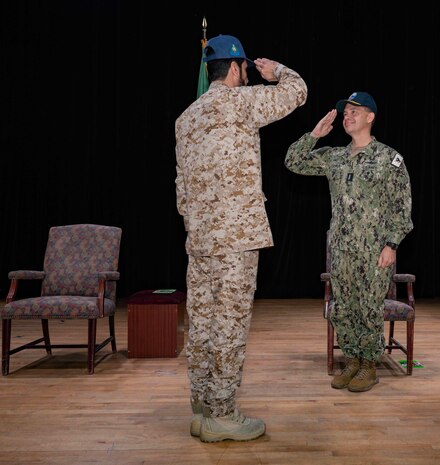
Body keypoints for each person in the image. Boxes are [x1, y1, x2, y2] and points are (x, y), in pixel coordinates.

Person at [175, 34, 307, 443]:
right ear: (235, 69)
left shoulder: (186, 118)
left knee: (202, 324)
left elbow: (181, 187)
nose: (248, 75)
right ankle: (222, 415)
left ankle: (201, 406)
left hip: (200, 240)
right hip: (236, 239)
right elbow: (297, 92)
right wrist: (276, 71)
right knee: (229, 326)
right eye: (246, 69)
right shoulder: (242, 101)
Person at [285, 92, 413, 392]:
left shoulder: (389, 158)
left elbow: (401, 206)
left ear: (371, 117)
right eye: (345, 112)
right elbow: (293, 161)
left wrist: (391, 245)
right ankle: (352, 360)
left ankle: (369, 364)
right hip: (342, 248)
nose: (348, 115)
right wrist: (315, 134)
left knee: (368, 307)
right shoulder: (334, 157)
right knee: (343, 308)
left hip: (374, 250)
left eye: (355, 111)